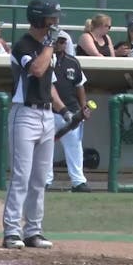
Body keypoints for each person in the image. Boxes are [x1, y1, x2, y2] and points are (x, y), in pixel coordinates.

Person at [3, 0, 72, 249]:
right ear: (38, 18)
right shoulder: (23, 44)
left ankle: (33, 230)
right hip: (25, 114)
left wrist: (63, 109)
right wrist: (50, 43)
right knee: (21, 176)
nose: (55, 22)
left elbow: (49, 84)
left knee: (40, 178)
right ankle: (12, 231)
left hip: (45, 115)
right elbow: (37, 70)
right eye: (51, 18)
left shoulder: (47, 46)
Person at [46, 31, 92, 193]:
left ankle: (78, 182)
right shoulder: (45, 59)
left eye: (63, 41)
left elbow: (79, 86)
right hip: (48, 111)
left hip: (71, 111)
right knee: (46, 147)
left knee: (74, 147)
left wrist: (83, 107)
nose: (61, 43)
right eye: (58, 41)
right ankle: (45, 180)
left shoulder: (73, 62)